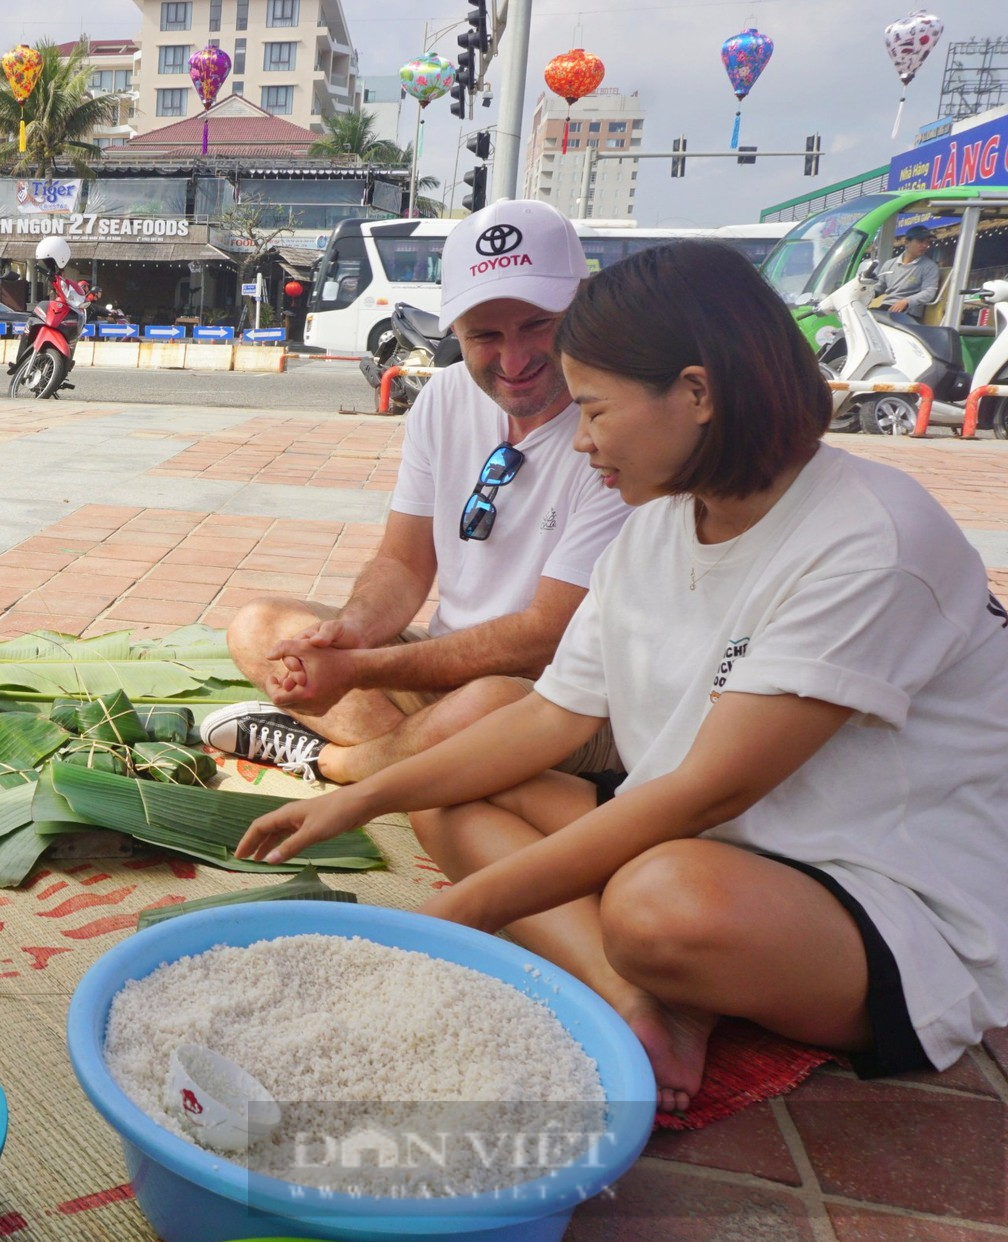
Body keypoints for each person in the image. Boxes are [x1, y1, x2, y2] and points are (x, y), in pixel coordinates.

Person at [236, 240, 1008, 1113]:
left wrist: (458, 915)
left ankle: (660, 969)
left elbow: (701, 797)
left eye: (596, 411)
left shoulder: (868, 541)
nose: (585, 441)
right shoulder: (660, 525)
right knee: (445, 802)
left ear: (698, 392)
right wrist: (358, 802)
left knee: (660, 904)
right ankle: (639, 1000)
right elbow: (550, 720)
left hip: (886, 890)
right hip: (732, 842)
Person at [204, 200, 630, 785]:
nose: (513, 359)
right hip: (445, 674)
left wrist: (359, 671)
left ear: (581, 303)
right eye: (484, 334)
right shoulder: (445, 397)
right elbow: (403, 563)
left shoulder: (618, 428)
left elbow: (544, 636)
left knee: (490, 707)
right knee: (257, 627)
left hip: (554, 695)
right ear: (453, 328)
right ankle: (434, 770)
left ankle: (346, 763)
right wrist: (348, 634)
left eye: (537, 324)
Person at [870, 224, 940, 318]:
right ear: (907, 242)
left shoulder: (930, 266)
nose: (925, 245)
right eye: (920, 241)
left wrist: (906, 301)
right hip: (886, 307)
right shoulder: (889, 264)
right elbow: (879, 287)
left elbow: (929, 292)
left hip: (908, 312)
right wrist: (865, 294)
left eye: (927, 242)